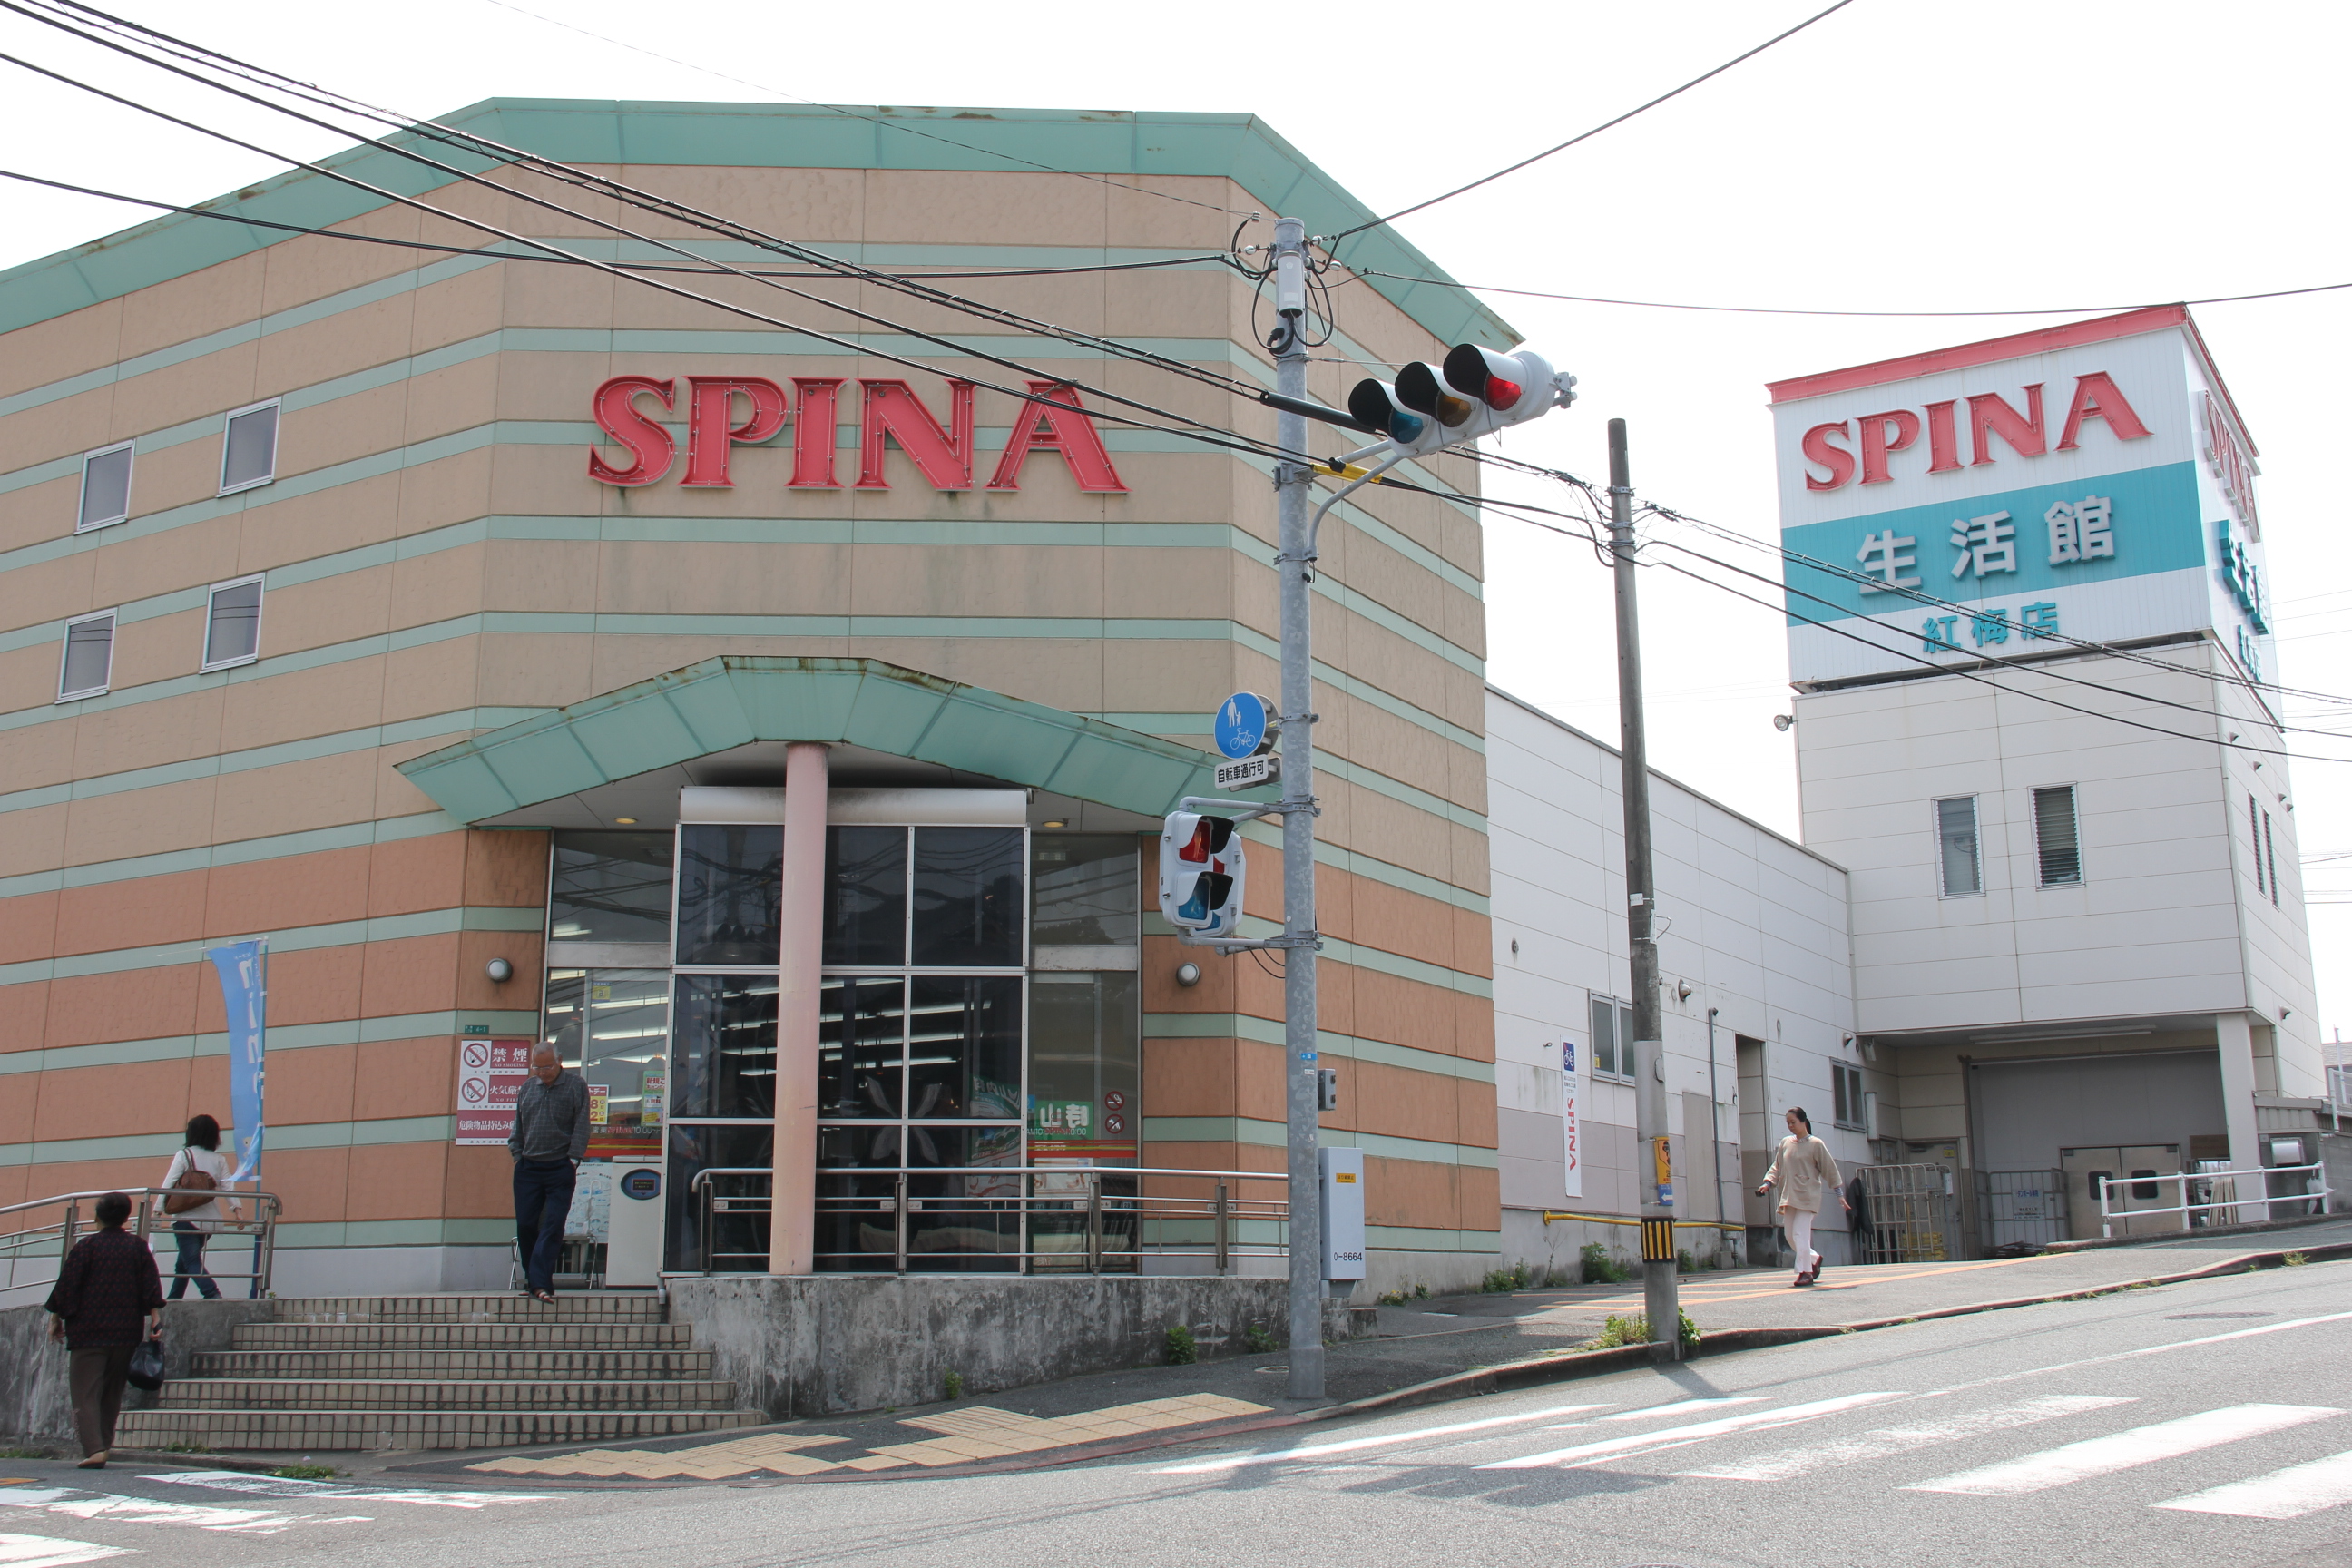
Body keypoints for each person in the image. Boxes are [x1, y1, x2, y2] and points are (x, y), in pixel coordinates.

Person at [45, 1191, 163, 1468]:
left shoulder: (87, 1247)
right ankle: (104, 1443)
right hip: (126, 1331)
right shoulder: (137, 1247)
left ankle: (95, 1448)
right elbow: (150, 1285)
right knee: (112, 1392)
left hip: (88, 1331)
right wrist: (155, 1318)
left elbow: (68, 1284)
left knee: (85, 1392)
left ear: (98, 1217)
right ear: (125, 1217)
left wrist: (55, 1318)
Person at [508, 1042, 590, 1303]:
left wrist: (573, 1158)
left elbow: (582, 1124)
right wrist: (517, 1154)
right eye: (537, 1068)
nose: (542, 1073)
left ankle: (540, 1284)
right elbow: (518, 1125)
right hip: (528, 1166)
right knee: (526, 1224)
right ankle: (535, 1281)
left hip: (560, 1166)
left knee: (552, 1224)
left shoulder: (575, 1086)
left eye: (547, 1067)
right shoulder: (527, 1088)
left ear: (559, 1061)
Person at [154, 1114, 244, 1299]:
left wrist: (157, 1210)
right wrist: (237, 1211)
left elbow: (169, 1183)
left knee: (191, 1260)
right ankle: (174, 1298)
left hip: (185, 1218)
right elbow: (228, 1186)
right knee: (184, 1263)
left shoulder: (184, 1155)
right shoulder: (219, 1159)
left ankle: (212, 1293)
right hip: (209, 1221)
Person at [1756, 1106, 1842, 1287]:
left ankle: (1806, 1272)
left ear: (1803, 1121)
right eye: (1788, 1123)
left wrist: (1839, 1195)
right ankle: (1814, 1258)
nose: (1790, 1126)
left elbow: (1830, 1170)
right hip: (1789, 1195)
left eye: (1793, 1122)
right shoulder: (1786, 1143)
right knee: (1790, 1235)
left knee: (1800, 1234)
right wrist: (1767, 1183)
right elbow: (1777, 1166)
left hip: (1807, 1196)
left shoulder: (1816, 1144)